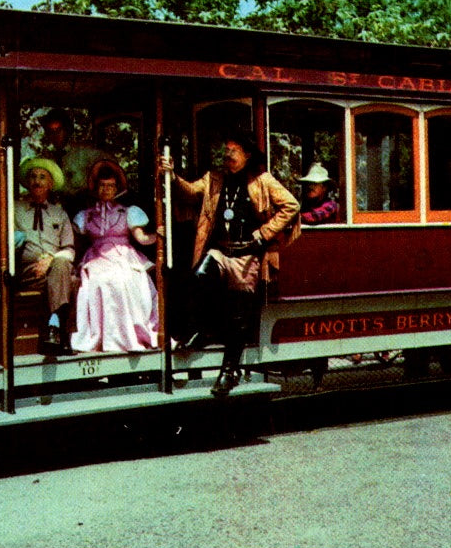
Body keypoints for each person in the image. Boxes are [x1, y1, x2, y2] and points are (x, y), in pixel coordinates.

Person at [159, 132, 300, 396]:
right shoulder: (214, 179)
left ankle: (228, 371)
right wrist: (173, 175)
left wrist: (264, 234)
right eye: (225, 151)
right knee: (199, 278)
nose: (227, 156)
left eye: (233, 151)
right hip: (221, 252)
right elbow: (189, 193)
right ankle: (200, 330)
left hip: (246, 256)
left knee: (239, 317)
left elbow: (291, 205)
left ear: (247, 155)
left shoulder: (262, 181)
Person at [70, 160, 161, 353]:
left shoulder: (128, 212)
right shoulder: (85, 215)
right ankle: (104, 339)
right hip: (97, 257)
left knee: (125, 280)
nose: (106, 190)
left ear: (117, 188)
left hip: (124, 256)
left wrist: (160, 235)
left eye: (111, 186)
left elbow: (142, 238)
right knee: (99, 282)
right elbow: (75, 242)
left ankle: (130, 336)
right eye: (103, 185)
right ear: (96, 187)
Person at [14, 157, 77, 354]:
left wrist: (51, 260)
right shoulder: (15, 209)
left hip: (55, 269)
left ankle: (54, 327)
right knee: (71, 280)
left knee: (62, 267)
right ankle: (62, 332)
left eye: (42, 177)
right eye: (33, 177)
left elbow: (69, 249)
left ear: (50, 184)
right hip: (29, 272)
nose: (37, 181)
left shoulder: (60, 213)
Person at [39, 108, 112, 212]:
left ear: (67, 130)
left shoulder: (83, 152)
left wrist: (94, 184)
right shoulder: (47, 159)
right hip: (57, 210)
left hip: (84, 209)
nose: (55, 135)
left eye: (58, 130)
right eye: (51, 131)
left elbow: (110, 163)